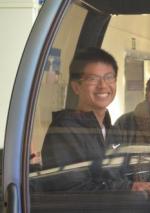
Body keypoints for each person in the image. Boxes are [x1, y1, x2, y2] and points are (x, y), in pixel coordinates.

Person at [40, 47, 133, 191]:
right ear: (76, 87)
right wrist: (128, 189)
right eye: (93, 79)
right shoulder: (64, 130)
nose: (103, 85)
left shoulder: (113, 132)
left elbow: (122, 175)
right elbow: (74, 188)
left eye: (109, 77)